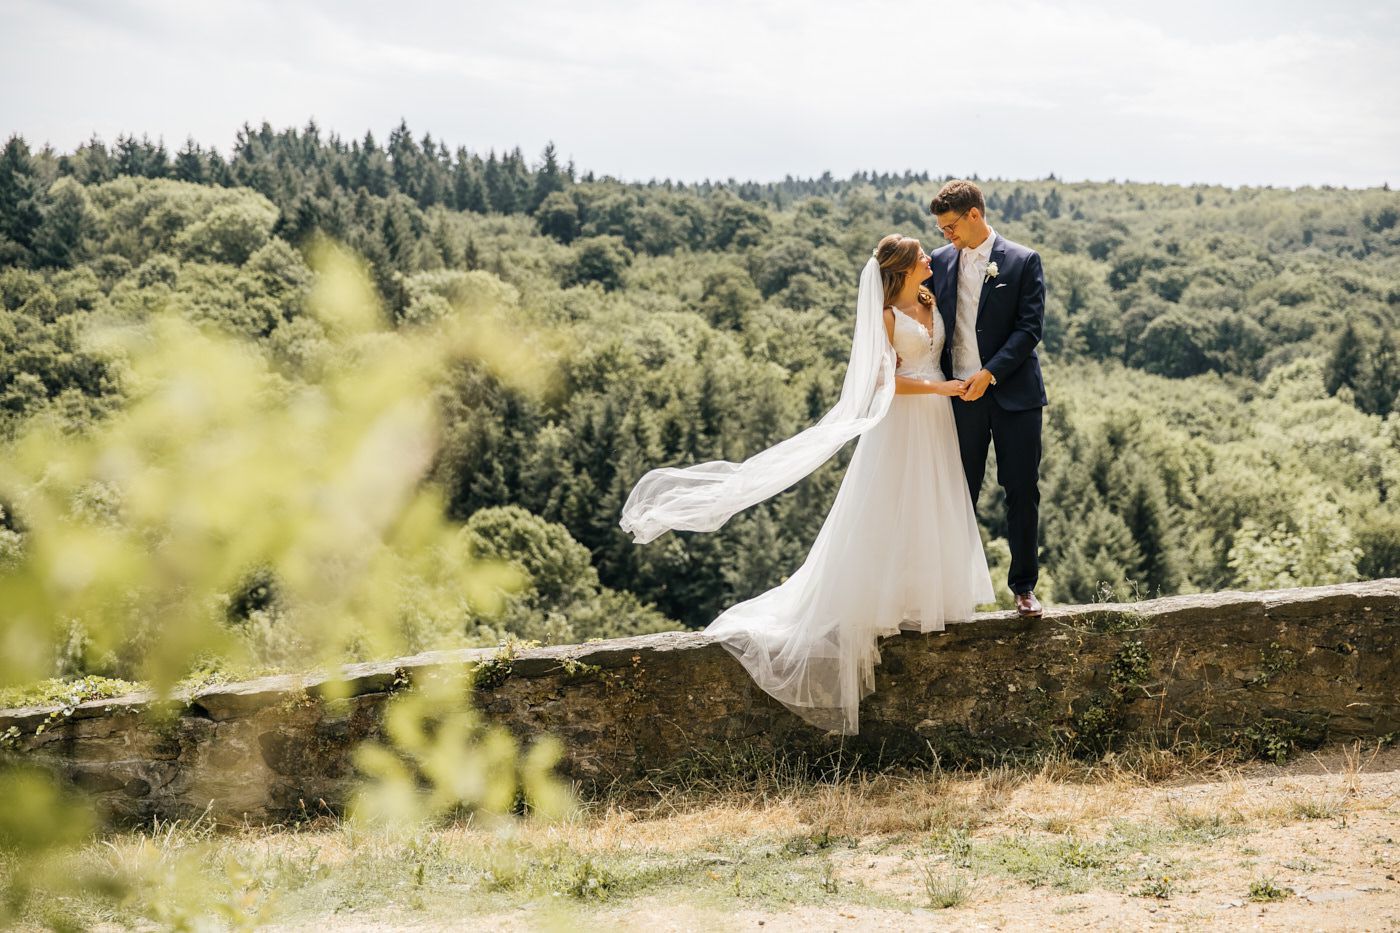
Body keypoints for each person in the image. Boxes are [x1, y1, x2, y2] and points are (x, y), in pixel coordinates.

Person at [620, 235, 993, 735]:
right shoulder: (884, 316)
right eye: (922, 256)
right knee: (890, 502)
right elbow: (885, 382)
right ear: (903, 268)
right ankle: (882, 601)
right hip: (904, 417)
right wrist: (941, 386)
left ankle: (924, 598)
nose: (931, 260)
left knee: (931, 502)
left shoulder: (928, 298)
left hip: (938, 419)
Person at [926, 180, 1048, 618]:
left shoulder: (1022, 260)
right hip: (958, 398)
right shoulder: (938, 262)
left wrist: (990, 372)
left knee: (1021, 490)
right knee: (957, 492)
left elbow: (1029, 329)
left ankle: (1023, 588)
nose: (946, 236)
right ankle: (951, 591)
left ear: (974, 215)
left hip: (1015, 396)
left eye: (950, 227)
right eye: (941, 230)